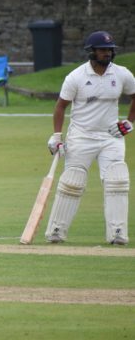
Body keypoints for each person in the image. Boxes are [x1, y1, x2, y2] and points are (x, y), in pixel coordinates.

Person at [45, 31, 135, 245]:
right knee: (72, 181)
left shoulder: (122, 74)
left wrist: (130, 122)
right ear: (92, 52)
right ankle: (56, 230)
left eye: (110, 49)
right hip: (81, 136)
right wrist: (57, 135)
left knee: (117, 180)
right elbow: (60, 107)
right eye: (103, 50)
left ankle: (118, 233)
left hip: (111, 137)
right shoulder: (76, 77)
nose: (107, 53)